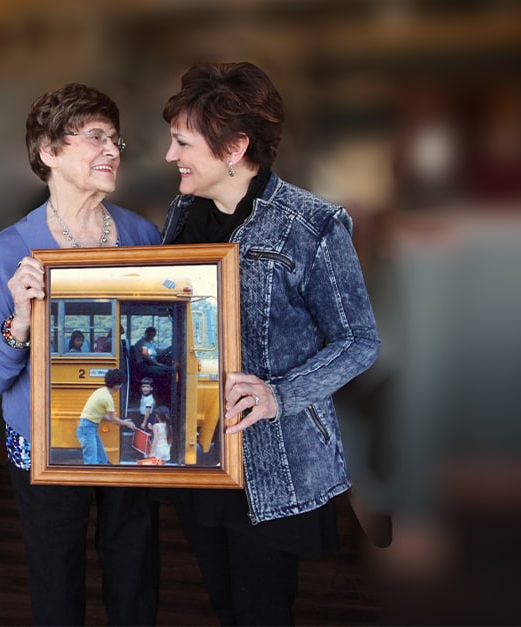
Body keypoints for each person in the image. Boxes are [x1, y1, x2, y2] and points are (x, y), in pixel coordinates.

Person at [158, 62, 381, 625]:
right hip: (198, 455)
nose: (170, 156)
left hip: (272, 463)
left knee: (263, 610)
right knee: (225, 602)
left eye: (182, 142)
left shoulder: (311, 225)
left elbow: (358, 341)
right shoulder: (181, 214)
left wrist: (277, 394)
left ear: (234, 146)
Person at [0, 82, 162, 625]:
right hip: (46, 443)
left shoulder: (142, 235)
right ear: (48, 152)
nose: (112, 150)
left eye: (116, 140)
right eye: (95, 137)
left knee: (135, 562)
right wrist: (22, 323)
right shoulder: (8, 250)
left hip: (129, 432)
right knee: (56, 572)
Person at [77, 369, 138, 464]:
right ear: (118, 385)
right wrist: (126, 424)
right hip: (87, 429)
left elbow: (105, 416)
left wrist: (122, 421)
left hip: (88, 428)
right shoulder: (107, 398)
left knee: (102, 459)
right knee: (91, 462)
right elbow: (113, 419)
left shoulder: (101, 391)